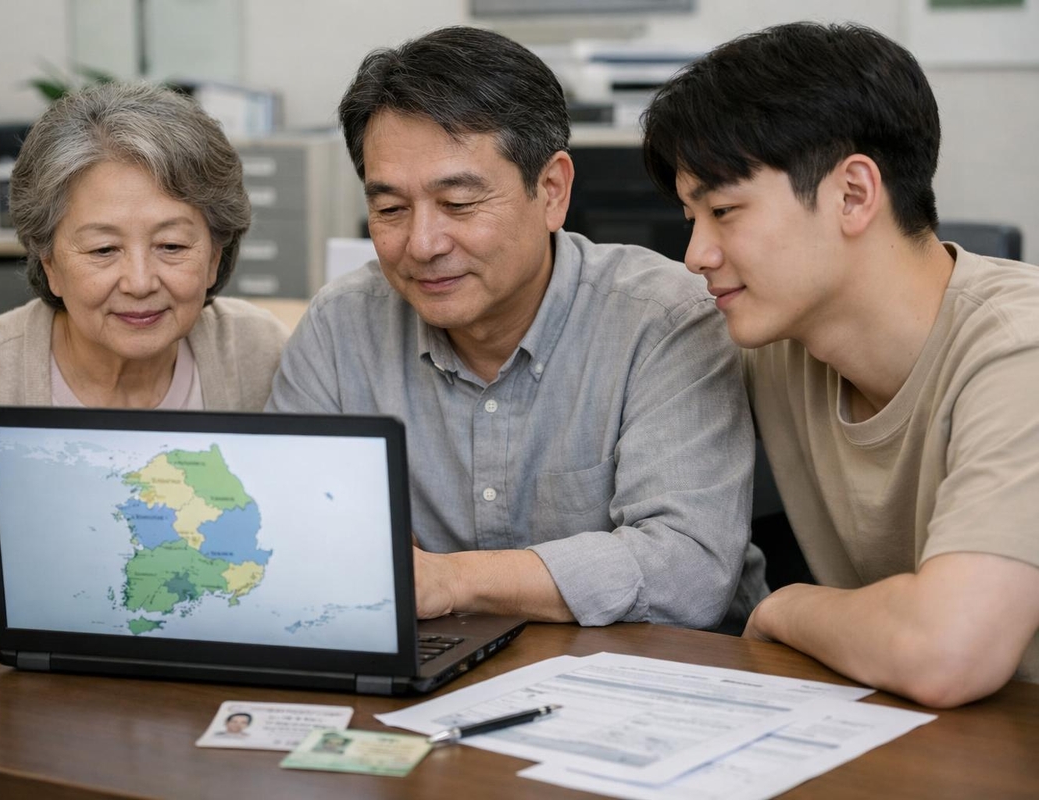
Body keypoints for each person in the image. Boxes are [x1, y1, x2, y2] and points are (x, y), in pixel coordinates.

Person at [267, 26, 766, 630]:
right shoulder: (340, 326)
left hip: (659, 669)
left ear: (551, 190)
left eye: (459, 204)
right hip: (437, 663)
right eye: (390, 209)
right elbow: (294, 538)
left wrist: (450, 580)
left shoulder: (663, 320)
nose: (422, 244)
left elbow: (687, 571)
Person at [641, 21, 1039, 707]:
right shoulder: (777, 339)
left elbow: (948, 652)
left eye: (724, 210)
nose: (696, 254)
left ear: (853, 194)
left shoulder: (1019, 351)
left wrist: (784, 608)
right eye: (690, 218)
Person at [0, 82, 288, 612]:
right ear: (49, 262)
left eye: (172, 245)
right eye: (103, 249)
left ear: (215, 256)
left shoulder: (258, 352)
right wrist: (40, 576)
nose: (140, 281)